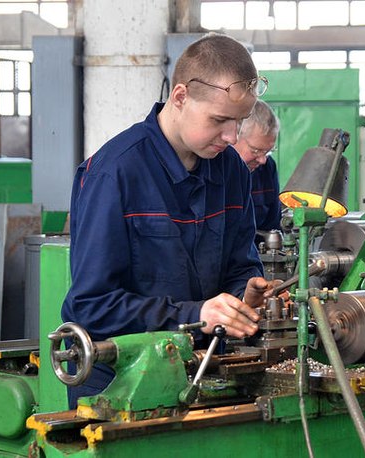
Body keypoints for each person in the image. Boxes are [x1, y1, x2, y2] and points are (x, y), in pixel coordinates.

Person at [62, 33, 275, 406]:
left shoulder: (232, 171)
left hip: (204, 368)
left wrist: (245, 296)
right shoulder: (114, 174)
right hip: (117, 379)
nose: (231, 136)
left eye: (239, 122)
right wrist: (197, 314)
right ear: (180, 97)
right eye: (220, 120)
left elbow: (240, 265)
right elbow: (92, 305)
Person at [232, 100, 281, 237]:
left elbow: (273, 225)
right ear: (233, 137)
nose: (262, 160)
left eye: (268, 151)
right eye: (255, 150)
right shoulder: (213, 170)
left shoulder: (267, 168)